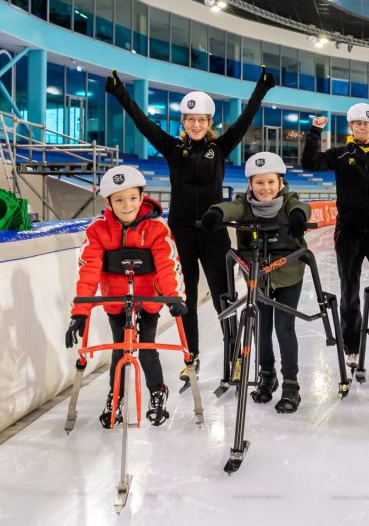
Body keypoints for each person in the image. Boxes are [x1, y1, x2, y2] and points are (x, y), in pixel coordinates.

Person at [106, 68, 274, 387]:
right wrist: (119, 93)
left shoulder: (220, 149)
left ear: (209, 123)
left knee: (224, 297)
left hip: (214, 234)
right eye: (190, 119)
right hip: (181, 233)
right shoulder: (173, 149)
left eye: (202, 120)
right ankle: (190, 357)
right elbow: (143, 123)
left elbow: (244, 119)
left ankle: (234, 355)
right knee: (185, 298)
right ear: (183, 122)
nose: (196, 124)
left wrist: (260, 90)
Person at [65, 166, 186, 428]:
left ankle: (157, 392)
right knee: (120, 350)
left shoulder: (156, 228)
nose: (127, 205)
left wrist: (174, 298)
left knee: (147, 350)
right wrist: (80, 312)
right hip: (116, 299)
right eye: (119, 200)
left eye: (132, 198)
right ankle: (115, 397)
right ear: (107, 202)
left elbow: (167, 264)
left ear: (142, 197)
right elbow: (89, 270)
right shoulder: (97, 231)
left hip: (148, 298)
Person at [200, 152, 312, 413]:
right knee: (261, 329)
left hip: (288, 276)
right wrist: (217, 211)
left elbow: (300, 207)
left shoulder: (288, 202)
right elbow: (233, 208)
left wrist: (298, 217)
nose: (266, 188)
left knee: (284, 329)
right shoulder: (245, 205)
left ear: (281, 182)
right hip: (258, 278)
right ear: (250, 184)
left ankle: (291, 385)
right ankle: (266, 375)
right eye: (259, 183)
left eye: (271, 182)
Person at [301, 103, 369, 371]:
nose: (362, 127)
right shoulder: (340, 153)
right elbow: (309, 163)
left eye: (366, 123)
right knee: (349, 291)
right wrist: (314, 132)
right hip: (349, 233)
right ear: (350, 127)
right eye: (357, 124)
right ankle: (352, 348)